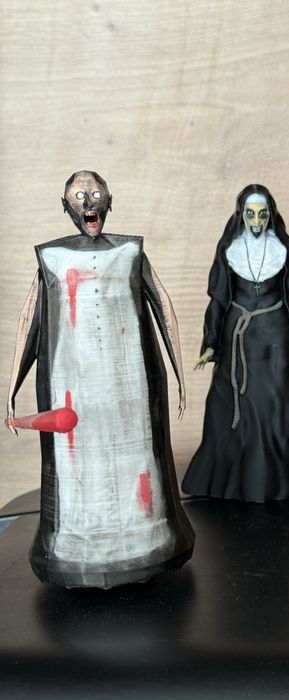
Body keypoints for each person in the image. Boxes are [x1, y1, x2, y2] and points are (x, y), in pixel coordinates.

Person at [6, 170, 194, 588]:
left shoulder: (129, 252)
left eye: (95, 194)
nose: (89, 203)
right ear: (65, 206)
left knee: (137, 461)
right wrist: (12, 387)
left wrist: (179, 374)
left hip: (131, 387)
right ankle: (77, 551)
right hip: (72, 383)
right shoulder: (52, 258)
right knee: (78, 471)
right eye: (79, 196)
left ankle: (148, 545)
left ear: (110, 200)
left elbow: (163, 305)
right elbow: (29, 317)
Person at [182, 184, 289, 502]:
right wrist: (210, 343)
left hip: (275, 331)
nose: (256, 220)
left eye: (262, 214)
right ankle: (230, 478)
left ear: (270, 215)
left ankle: (287, 476)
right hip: (236, 334)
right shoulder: (229, 247)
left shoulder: (283, 247)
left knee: (279, 398)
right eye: (250, 214)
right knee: (231, 399)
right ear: (241, 214)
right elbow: (218, 300)